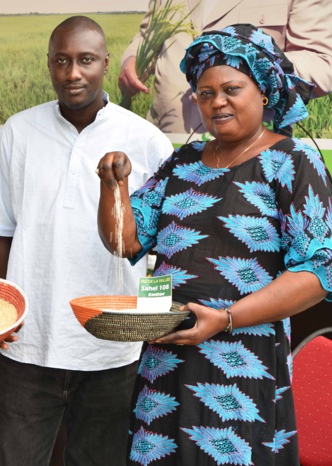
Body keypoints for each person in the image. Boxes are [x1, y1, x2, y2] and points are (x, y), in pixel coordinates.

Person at [98, 24, 332, 464]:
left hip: (241, 366)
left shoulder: (292, 162)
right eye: (204, 93)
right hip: (165, 362)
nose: (216, 102)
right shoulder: (184, 162)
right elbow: (124, 241)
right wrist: (113, 186)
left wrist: (225, 318)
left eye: (231, 89)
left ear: (263, 90)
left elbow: (318, 273)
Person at [0, 16, 174, 465]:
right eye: (61, 61)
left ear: (106, 62)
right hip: (28, 344)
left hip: (112, 349)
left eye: (85, 60)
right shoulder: (19, 131)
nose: (72, 73)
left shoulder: (145, 140)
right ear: (48, 65)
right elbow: (3, 233)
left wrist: (152, 324)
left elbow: (166, 245)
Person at [119, 0, 332, 134]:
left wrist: (249, 69)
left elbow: (321, 60)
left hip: (245, 150)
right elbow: (150, 33)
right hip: (166, 137)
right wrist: (132, 59)